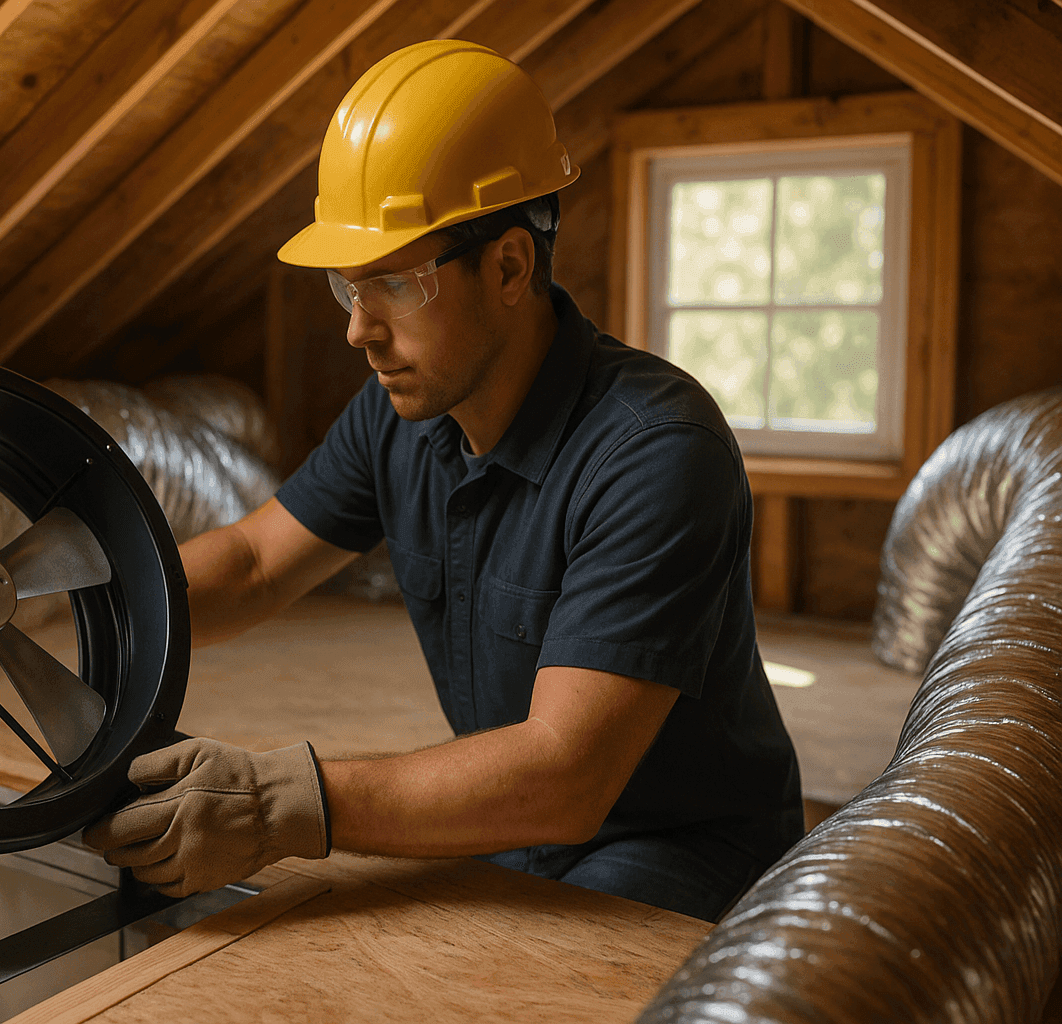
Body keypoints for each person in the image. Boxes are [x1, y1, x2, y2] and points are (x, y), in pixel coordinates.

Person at [82, 39, 803, 922]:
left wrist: (276, 805)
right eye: (351, 291)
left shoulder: (655, 451)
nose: (360, 331)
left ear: (509, 266)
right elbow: (255, 563)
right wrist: (83, 599)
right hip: (512, 819)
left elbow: (565, 773)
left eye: (393, 285)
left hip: (674, 848)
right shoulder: (402, 413)